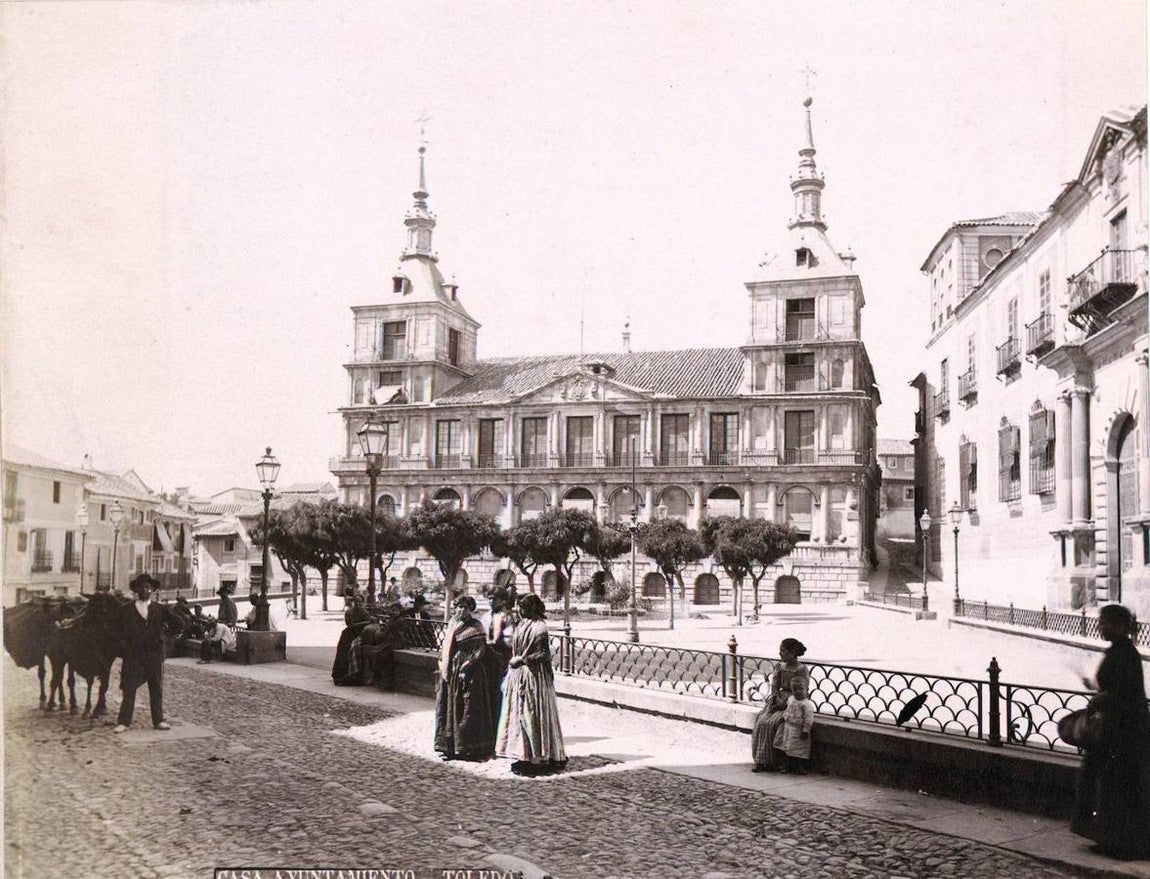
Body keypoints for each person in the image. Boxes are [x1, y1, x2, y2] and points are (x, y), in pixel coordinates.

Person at [1071, 604, 1150, 859]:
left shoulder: (1125, 654)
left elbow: (1126, 694)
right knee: (1108, 785)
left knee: (1118, 786)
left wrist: (1100, 699)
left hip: (1124, 732)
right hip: (1118, 728)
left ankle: (1120, 843)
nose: (1100, 626)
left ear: (1120, 626)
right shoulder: (1120, 652)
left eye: (1105, 622)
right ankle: (1109, 838)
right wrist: (1097, 690)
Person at [495, 593, 567, 775]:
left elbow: (544, 654)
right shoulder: (521, 624)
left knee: (531, 714)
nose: (520, 610)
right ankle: (523, 755)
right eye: (519, 607)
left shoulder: (540, 627)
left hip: (534, 677)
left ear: (533, 608)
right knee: (518, 716)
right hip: (518, 676)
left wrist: (523, 659)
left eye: (524, 607)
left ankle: (538, 757)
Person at [434, 595, 497, 761]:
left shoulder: (476, 625)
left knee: (468, 708)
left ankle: (469, 747)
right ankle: (449, 746)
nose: (461, 610)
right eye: (459, 607)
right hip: (452, 671)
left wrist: (468, 664)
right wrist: (443, 663)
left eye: (465, 607)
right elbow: (446, 647)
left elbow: (481, 649)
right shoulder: (452, 623)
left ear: (471, 609)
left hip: (471, 672)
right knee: (449, 707)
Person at [113, 574, 174, 733]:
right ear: (136, 590)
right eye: (141, 587)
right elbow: (116, 630)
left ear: (152, 589)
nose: (144, 590)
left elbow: (179, 622)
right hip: (133, 655)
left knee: (156, 687)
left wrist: (165, 639)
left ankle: (158, 720)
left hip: (154, 654)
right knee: (129, 687)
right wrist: (124, 646)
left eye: (147, 587)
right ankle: (124, 722)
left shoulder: (160, 609)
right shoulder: (126, 609)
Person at [751, 637, 810, 772]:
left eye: (783, 651)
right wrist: (776, 697)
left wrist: (785, 703)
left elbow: (802, 689)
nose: (780, 654)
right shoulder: (780, 667)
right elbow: (775, 685)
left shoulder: (801, 669)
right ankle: (760, 760)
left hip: (793, 703)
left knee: (773, 723)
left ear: (792, 652)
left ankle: (772, 761)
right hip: (778, 700)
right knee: (761, 720)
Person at [485, 587, 516, 731]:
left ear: (503, 601)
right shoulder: (486, 616)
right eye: (489, 598)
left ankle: (501, 727)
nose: (491, 601)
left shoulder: (507, 617)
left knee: (500, 692)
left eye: (495, 599)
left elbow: (510, 640)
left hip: (501, 659)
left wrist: (492, 643)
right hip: (486, 658)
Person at [774, 679, 815, 774]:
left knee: (800, 749)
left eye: (801, 689)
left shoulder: (806, 704)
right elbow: (788, 710)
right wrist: (783, 718)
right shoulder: (791, 699)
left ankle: (801, 767)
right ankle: (786, 765)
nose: (798, 691)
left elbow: (808, 719)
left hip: (798, 729)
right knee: (787, 747)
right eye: (795, 689)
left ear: (806, 690)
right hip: (788, 727)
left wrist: (806, 730)